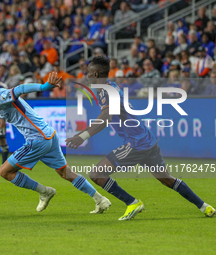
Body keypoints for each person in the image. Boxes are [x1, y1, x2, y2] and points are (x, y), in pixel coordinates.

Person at [65, 56, 215, 220]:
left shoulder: (108, 91)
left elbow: (106, 116)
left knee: (97, 174)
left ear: (95, 74)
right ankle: (204, 207)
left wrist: (82, 135)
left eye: (89, 72)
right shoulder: (110, 87)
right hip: (147, 140)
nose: (86, 75)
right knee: (167, 180)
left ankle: (132, 203)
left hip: (135, 143)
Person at [0, 72, 111, 213]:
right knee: (65, 173)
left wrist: (44, 87)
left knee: (5, 171)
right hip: (50, 135)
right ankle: (100, 199)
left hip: (38, 139)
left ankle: (45, 192)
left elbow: (19, 89)